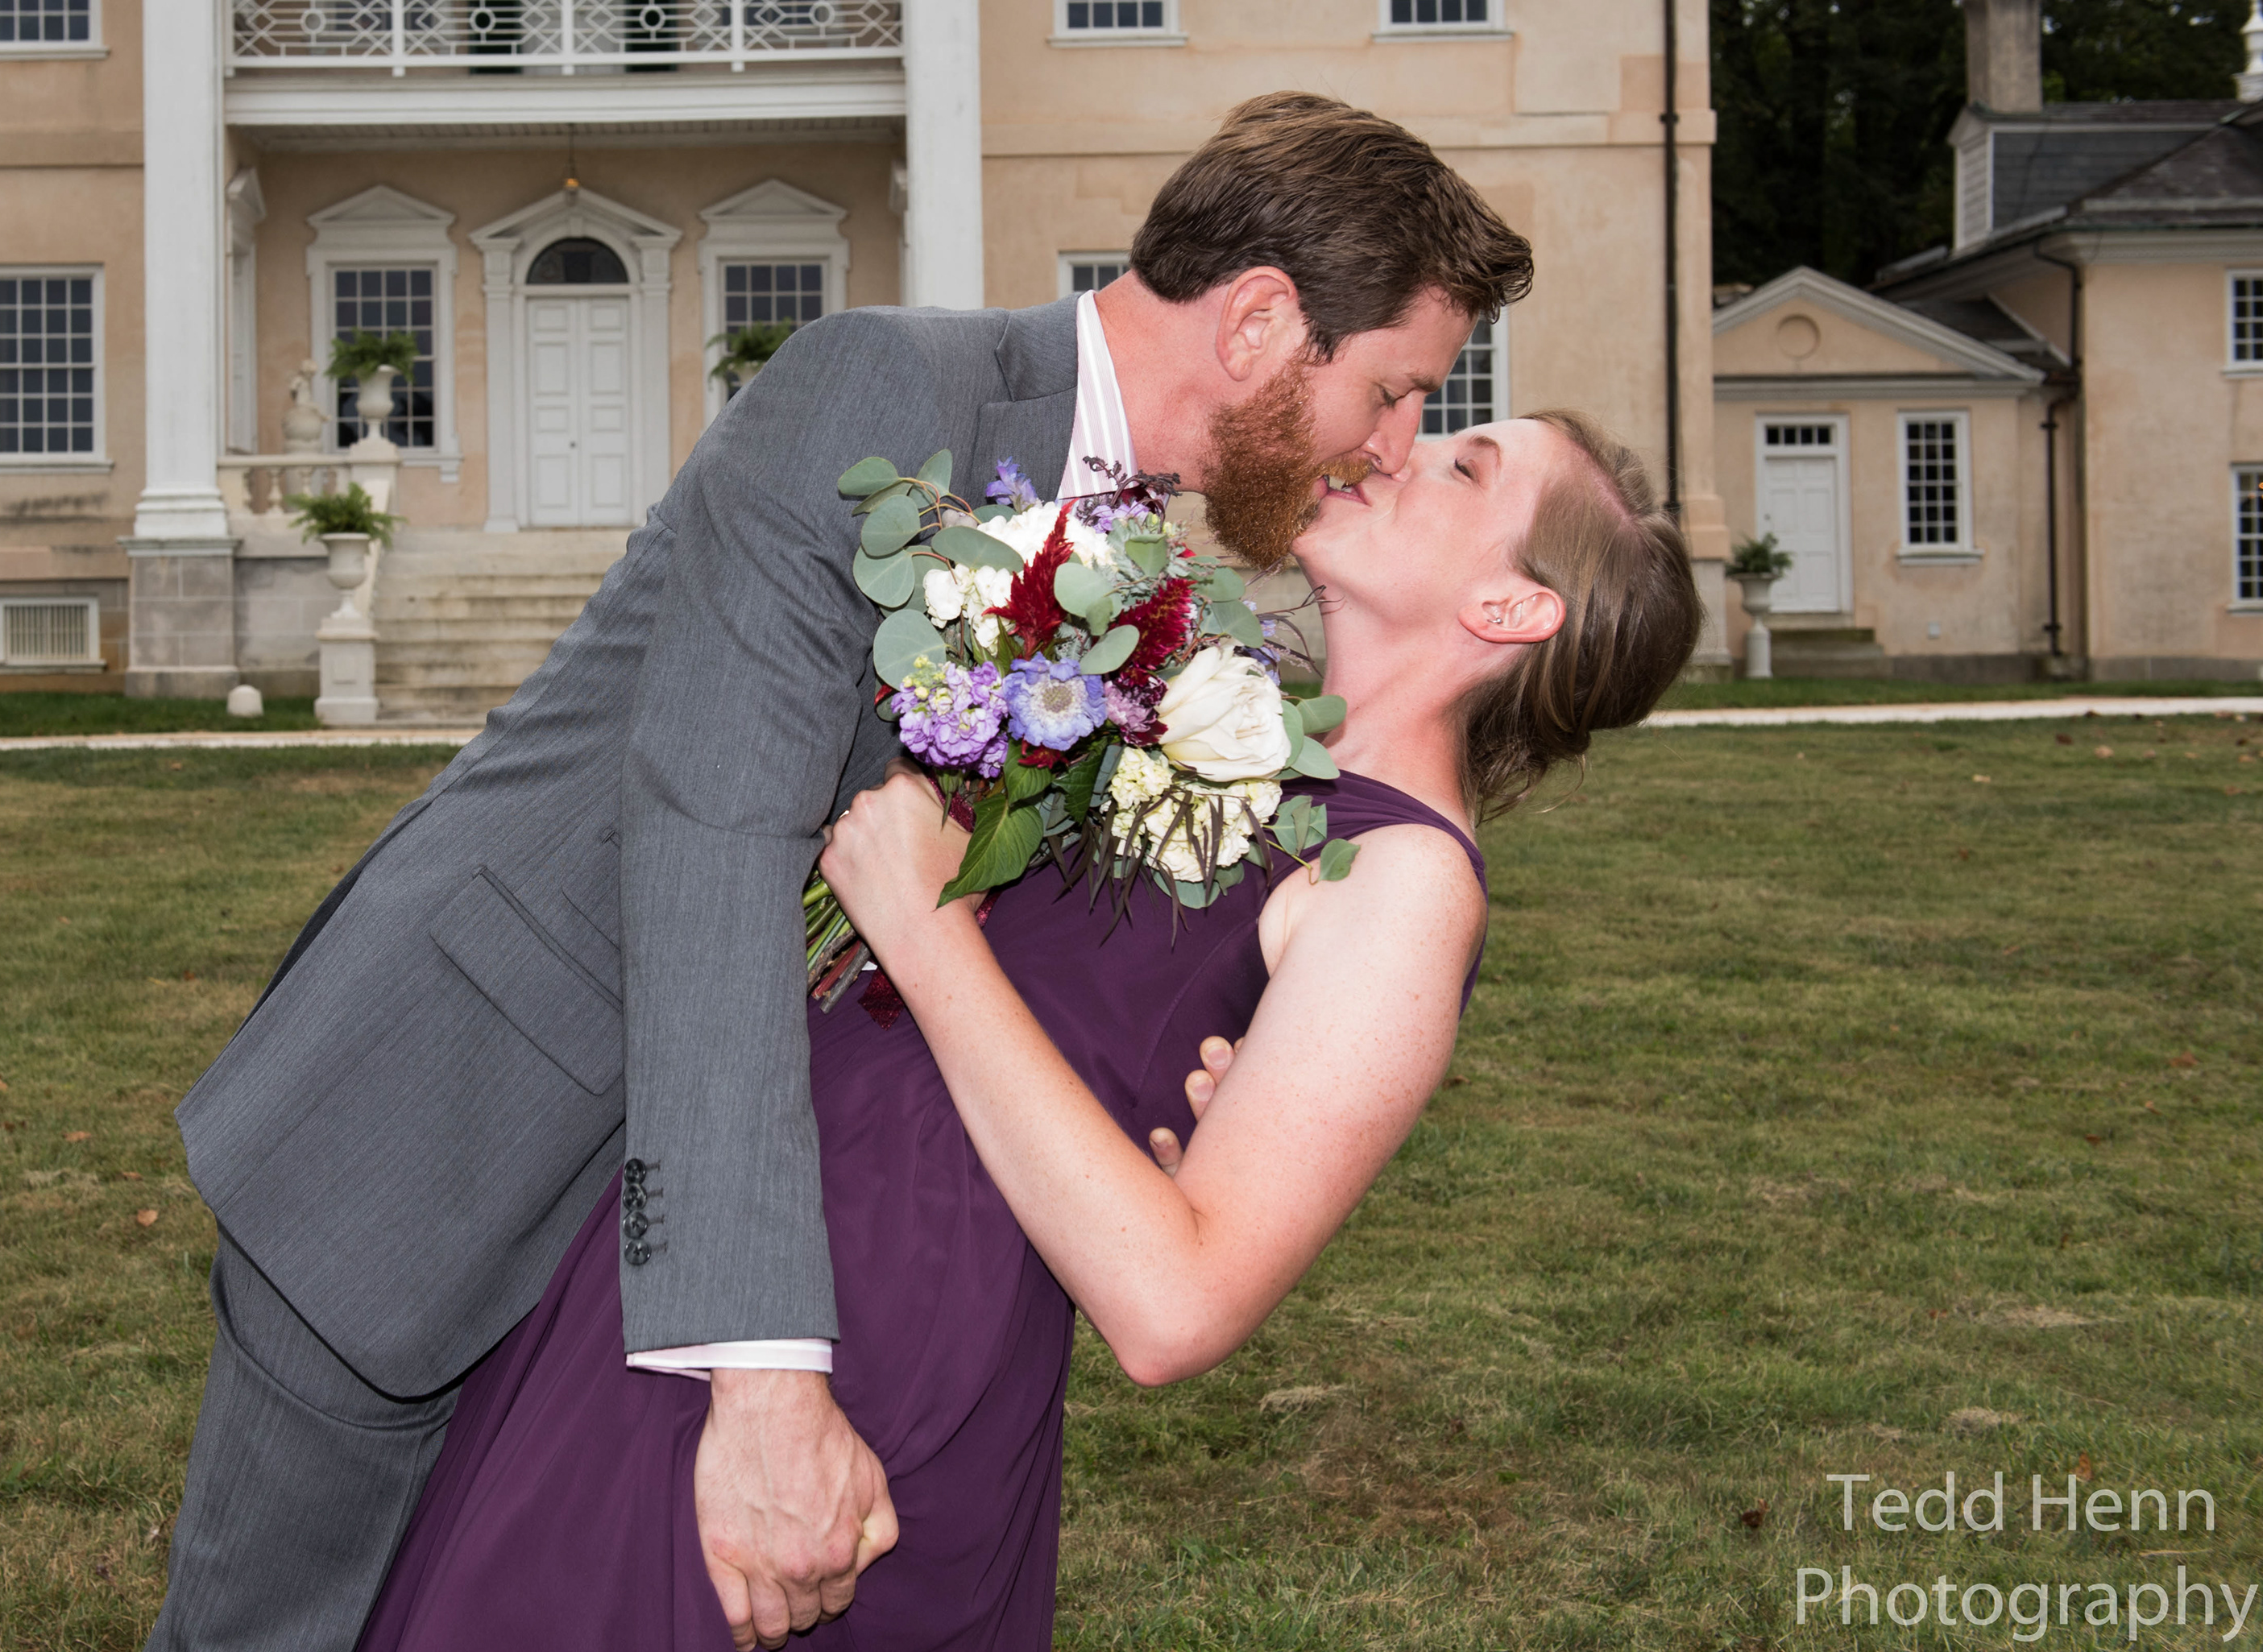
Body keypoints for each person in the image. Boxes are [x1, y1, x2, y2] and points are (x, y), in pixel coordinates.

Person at [143, 94, 1532, 1652]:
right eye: (1395, 392)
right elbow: (717, 837)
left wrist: (1201, 1075)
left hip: (656, 1212)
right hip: (453, 1126)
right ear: (1263, 322)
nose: (1390, 445)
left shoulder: (1149, 555)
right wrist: (763, 1382)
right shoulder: (891, 395)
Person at [350, 411, 1702, 1649]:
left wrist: (923, 929)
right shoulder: (1210, 721)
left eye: (1465, 466)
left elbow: (1174, 1308)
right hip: (725, 1237)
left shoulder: (1408, 879)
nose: (1396, 447)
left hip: (880, 1333)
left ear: (1514, 605)